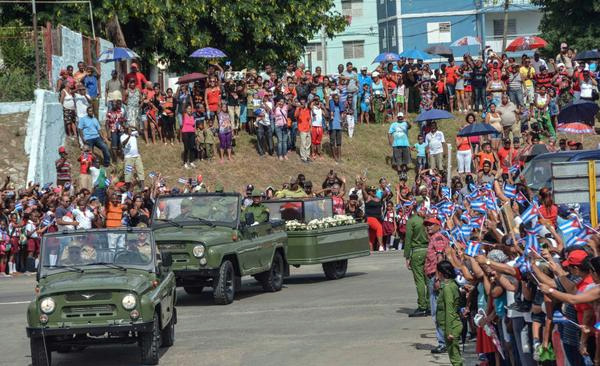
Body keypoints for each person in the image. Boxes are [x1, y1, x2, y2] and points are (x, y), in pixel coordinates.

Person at [424, 217, 450, 355]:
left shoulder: (438, 238)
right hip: (433, 276)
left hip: (436, 277)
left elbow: (440, 258)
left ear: (438, 226)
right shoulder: (434, 237)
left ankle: (443, 343)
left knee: (438, 311)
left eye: (431, 225)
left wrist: (438, 278)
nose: (428, 227)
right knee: (438, 311)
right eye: (427, 225)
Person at [435, 260, 463, 366]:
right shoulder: (450, 284)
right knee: (455, 356)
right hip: (452, 324)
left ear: (441, 273)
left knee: (455, 358)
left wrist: (449, 331)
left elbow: (449, 311)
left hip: (452, 325)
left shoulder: (447, 288)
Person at [404, 205, 429, 317]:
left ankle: (422, 306)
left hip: (417, 251)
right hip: (428, 250)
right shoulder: (426, 219)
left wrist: (407, 256)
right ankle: (429, 305)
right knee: (428, 279)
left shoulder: (412, 221)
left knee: (419, 280)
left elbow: (408, 239)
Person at [121, 126, 144, 190]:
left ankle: (142, 187)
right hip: (128, 158)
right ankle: (127, 187)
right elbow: (123, 144)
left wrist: (135, 127)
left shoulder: (134, 134)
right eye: (128, 129)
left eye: (130, 129)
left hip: (137, 156)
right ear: (125, 129)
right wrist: (129, 135)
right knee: (128, 172)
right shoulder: (122, 136)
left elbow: (141, 133)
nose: (129, 130)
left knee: (140, 170)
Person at [295, 97, 312, 163]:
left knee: (308, 143)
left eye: (304, 101)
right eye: (302, 101)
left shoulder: (307, 110)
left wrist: (310, 127)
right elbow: (296, 116)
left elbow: (309, 119)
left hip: (308, 128)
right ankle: (303, 157)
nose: (303, 102)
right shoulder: (298, 109)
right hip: (302, 128)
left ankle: (307, 156)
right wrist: (299, 108)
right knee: (303, 143)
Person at [328, 93, 344, 161]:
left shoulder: (340, 106)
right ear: (333, 99)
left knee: (339, 142)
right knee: (332, 142)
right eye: (335, 98)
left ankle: (339, 156)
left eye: (338, 98)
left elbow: (342, 115)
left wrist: (343, 119)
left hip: (339, 127)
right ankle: (334, 157)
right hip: (332, 127)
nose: (337, 100)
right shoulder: (330, 107)